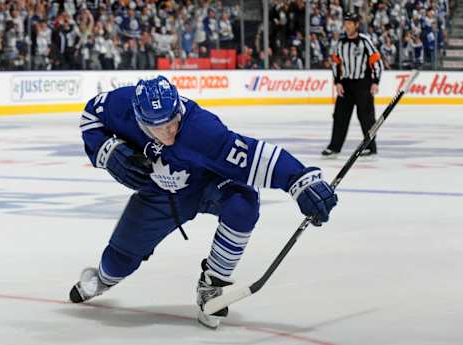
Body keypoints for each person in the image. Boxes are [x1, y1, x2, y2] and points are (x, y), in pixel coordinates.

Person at [70, 75, 338, 329]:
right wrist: (107, 150)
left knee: (243, 202)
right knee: (119, 261)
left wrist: (300, 181)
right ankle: (104, 278)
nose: (170, 131)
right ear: (139, 120)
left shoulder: (201, 129)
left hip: (208, 184)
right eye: (159, 127)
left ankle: (212, 284)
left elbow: (255, 154)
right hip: (159, 194)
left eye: (173, 121)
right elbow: (90, 116)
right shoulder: (120, 105)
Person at [322, 12, 384, 159]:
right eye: (346, 23)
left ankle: (370, 147)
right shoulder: (341, 43)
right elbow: (335, 64)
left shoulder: (365, 41)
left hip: (363, 83)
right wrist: (337, 82)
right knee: (339, 116)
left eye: (350, 23)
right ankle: (334, 147)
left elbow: (377, 62)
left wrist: (375, 82)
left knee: (366, 117)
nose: (347, 26)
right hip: (346, 84)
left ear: (356, 25)